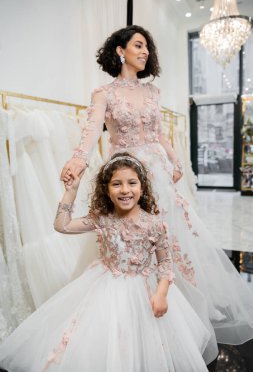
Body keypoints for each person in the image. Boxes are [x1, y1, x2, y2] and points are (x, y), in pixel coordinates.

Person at [61, 25, 253, 346]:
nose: (146, 51)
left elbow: (159, 133)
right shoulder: (103, 94)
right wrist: (78, 160)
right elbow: (91, 132)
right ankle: (130, 308)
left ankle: (178, 308)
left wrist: (175, 160)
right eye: (139, 45)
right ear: (120, 50)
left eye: (148, 47)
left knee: (169, 239)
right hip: (127, 175)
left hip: (159, 176)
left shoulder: (153, 92)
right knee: (128, 240)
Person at [0, 153, 212, 372]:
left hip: (145, 291)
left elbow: (166, 264)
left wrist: (161, 293)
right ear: (106, 189)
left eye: (132, 183)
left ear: (142, 186)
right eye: (116, 184)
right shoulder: (102, 218)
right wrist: (71, 191)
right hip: (105, 287)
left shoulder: (154, 223)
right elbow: (62, 226)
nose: (125, 190)